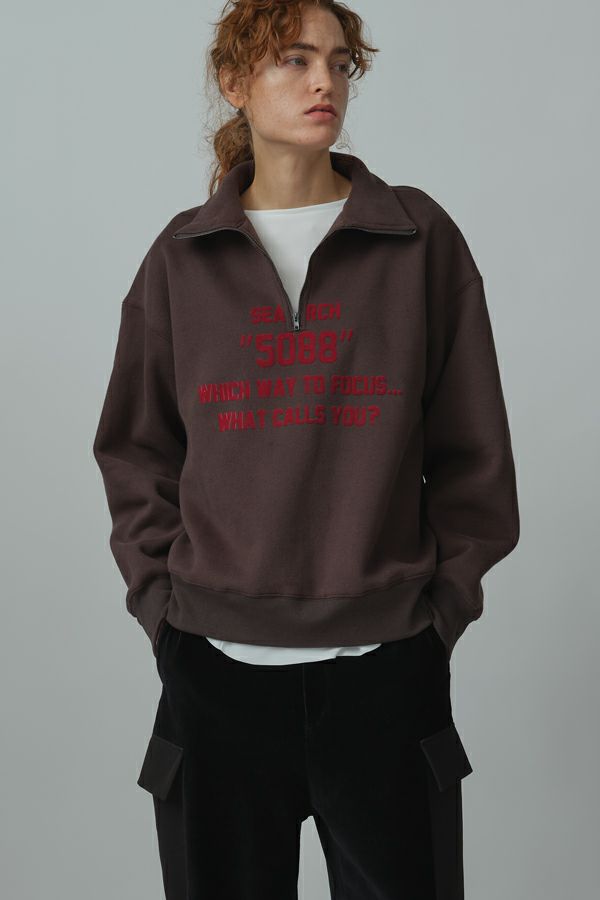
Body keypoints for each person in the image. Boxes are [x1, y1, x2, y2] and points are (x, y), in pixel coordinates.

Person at [92, 1, 520, 897]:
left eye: (338, 60)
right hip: (214, 676)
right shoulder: (181, 257)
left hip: (386, 671)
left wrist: (438, 615)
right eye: (292, 59)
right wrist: (164, 616)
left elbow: (474, 449)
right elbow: (135, 450)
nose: (324, 80)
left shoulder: (417, 240)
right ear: (234, 81)